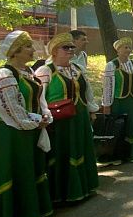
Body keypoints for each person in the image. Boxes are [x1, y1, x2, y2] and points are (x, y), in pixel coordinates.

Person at [0, 31, 53, 217]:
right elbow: (10, 109)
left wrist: (44, 115)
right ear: (14, 52)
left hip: (29, 129)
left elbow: (39, 100)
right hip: (9, 133)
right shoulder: (4, 75)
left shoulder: (29, 73)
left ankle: (30, 213)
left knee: (28, 169)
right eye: (27, 47)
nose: (32, 50)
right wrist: (35, 121)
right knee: (11, 170)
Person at [35, 32, 99, 203]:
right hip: (60, 122)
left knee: (80, 148)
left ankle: (83, 188)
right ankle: (64, 193)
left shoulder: (77, 69)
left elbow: (87, 92)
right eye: (66, 47)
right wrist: (44, 116)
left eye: (72, 47)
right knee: (63, 152)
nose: (71, 50)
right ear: (54, 51)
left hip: (80, 118)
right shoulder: (45, 71)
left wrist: (92, 110)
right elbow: (39, 97)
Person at [101, 37, 133, 164]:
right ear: (118, 50)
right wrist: (107, 104)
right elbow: (108, 85)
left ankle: (132, 153)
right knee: (118, 128)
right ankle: (116, 155)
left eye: (129, 47)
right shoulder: (112, 65)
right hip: (118, 102)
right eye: (125, 47)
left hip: (131, 101)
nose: (128, 50)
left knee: (132, 125)